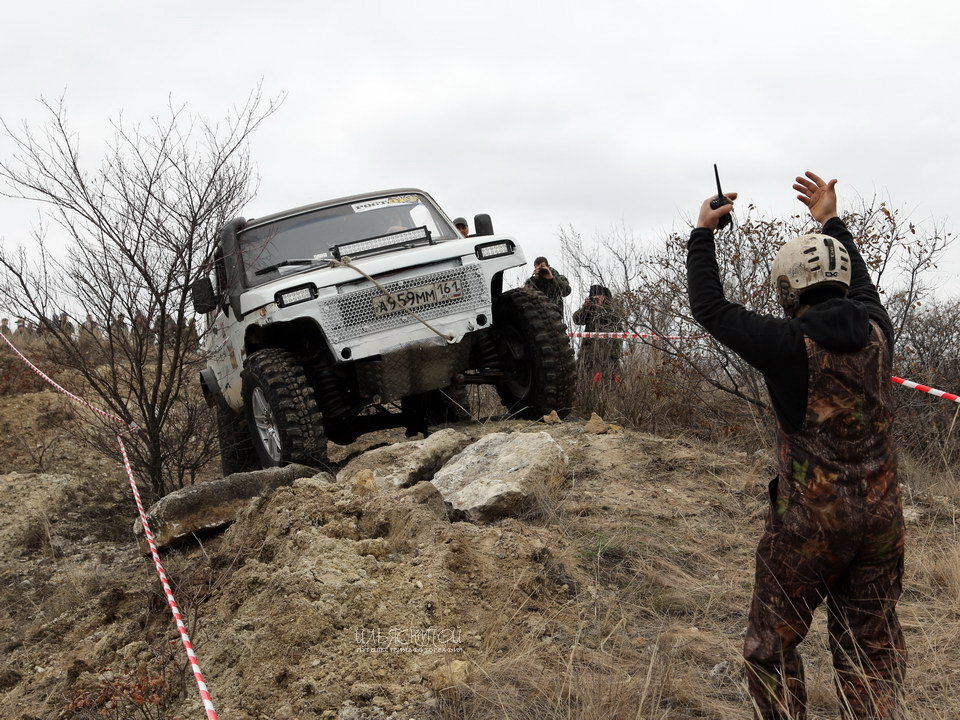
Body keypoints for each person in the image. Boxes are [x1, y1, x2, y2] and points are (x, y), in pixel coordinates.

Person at [687, 171, 905, 719]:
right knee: (871, 653)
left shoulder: (787, 344)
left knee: (772, 647)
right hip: (882, 522)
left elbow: (710, 310)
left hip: (808, 527)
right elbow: (862, 289)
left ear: (788, 289)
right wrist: (830, 222)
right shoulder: (878, 328)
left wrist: (703, 233)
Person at [572, 284, 624, 384]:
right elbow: (577, 320)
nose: (596, 297)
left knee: (612, 376)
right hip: (589, 350)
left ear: (604, 296)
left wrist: (600, 307)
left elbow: (616, 318)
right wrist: (585, 308)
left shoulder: (612, 307)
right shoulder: (589, 308)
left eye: (599, 295)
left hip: (610, 349)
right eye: (594, 296)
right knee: (584, 376)